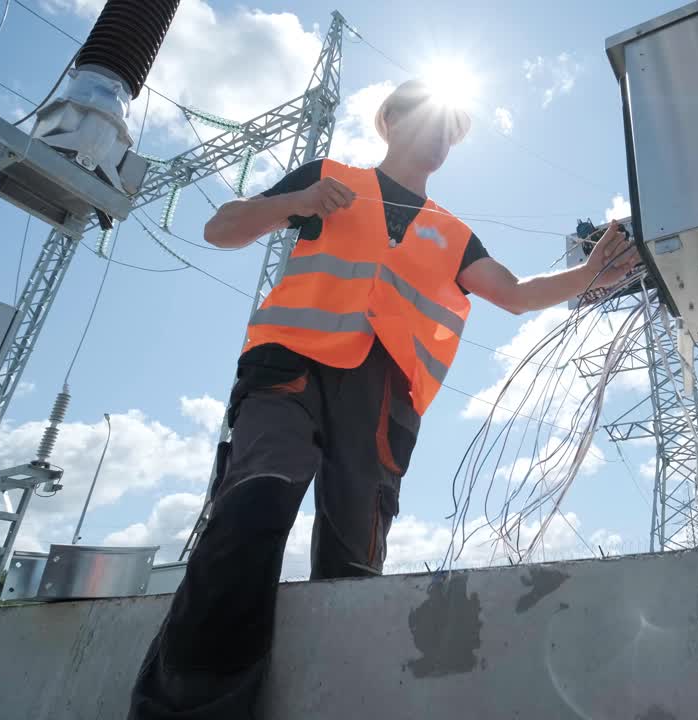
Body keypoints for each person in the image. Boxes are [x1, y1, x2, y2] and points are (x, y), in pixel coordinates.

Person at [128, 79, 637, 719]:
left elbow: (515, 292)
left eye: (452, 132)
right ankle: (187, 708)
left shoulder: (452, 234)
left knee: (353, 559)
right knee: (253, 505)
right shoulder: (330, 179)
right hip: (289, 368)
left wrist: (589, 273)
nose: (442, 138)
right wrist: (300, 199)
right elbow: (221, 228)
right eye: (432, 121)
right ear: (390, 119)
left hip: (380, 398)